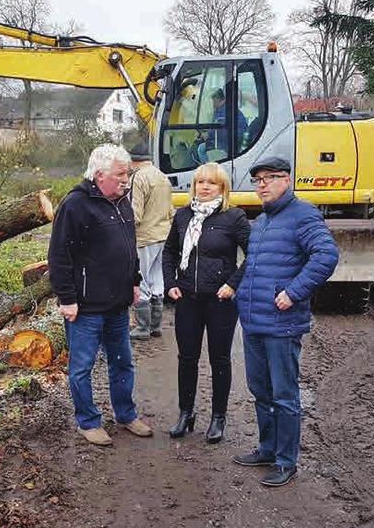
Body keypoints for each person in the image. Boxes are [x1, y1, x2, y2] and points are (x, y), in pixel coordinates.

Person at [231, 156, 338, 488]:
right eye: (257, 179)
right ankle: (267, 448)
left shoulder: (303, 214)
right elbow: (254, 265)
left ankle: (285, 460)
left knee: (284, 394)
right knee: (260, 389)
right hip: (254, 322)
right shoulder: (262, 221)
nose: (262, 184)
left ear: (287, 179)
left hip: (281, 323)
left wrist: (294, 292)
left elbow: (326, 256)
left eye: (270, 177)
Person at [48, 143, 154, 447]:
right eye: (120, 175)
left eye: (128, 174)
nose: (126, 180)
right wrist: (66, 298)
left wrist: (134, 281)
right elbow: (59, 256)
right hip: (85, 308)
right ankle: (88, 422)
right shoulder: (75, 205)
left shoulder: (121, 202)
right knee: (81, 367)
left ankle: (126, 414)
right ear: (99, 175)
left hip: (118, 305)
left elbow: (129, 246)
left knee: (122, 362)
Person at [162, 162, 249, 443]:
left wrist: (232, 284)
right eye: (200, 182)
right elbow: (169, 253)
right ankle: (185, 413)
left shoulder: (234, 217)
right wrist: (171, 283)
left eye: (212, 183)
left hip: (220, 300)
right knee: (187, 358)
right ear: (194, 186)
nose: (205, 187)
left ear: (222, 188)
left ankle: (218, 417)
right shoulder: (183, 216)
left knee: (219, 359)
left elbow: (253, 256)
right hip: (188, 298)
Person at [128, 140, 174, 341]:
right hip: (163, 235)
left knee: (143, 279)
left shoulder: (138, 178)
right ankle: (156, 326)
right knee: (158, 280)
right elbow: (171, 211)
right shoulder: (163, 177)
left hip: (144, 237)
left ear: (133, 161)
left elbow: (134, 214)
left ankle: (143, 327)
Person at [197, 88, 248, 162]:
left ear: (217, 99)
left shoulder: (225, 111)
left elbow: (222, 129)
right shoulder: (221, 109)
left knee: (201, 149)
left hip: (231, 142)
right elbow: (217, 127)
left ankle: (209, 169)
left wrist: (209, 135)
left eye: (213, 101)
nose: (212, 103)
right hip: (226, 139)